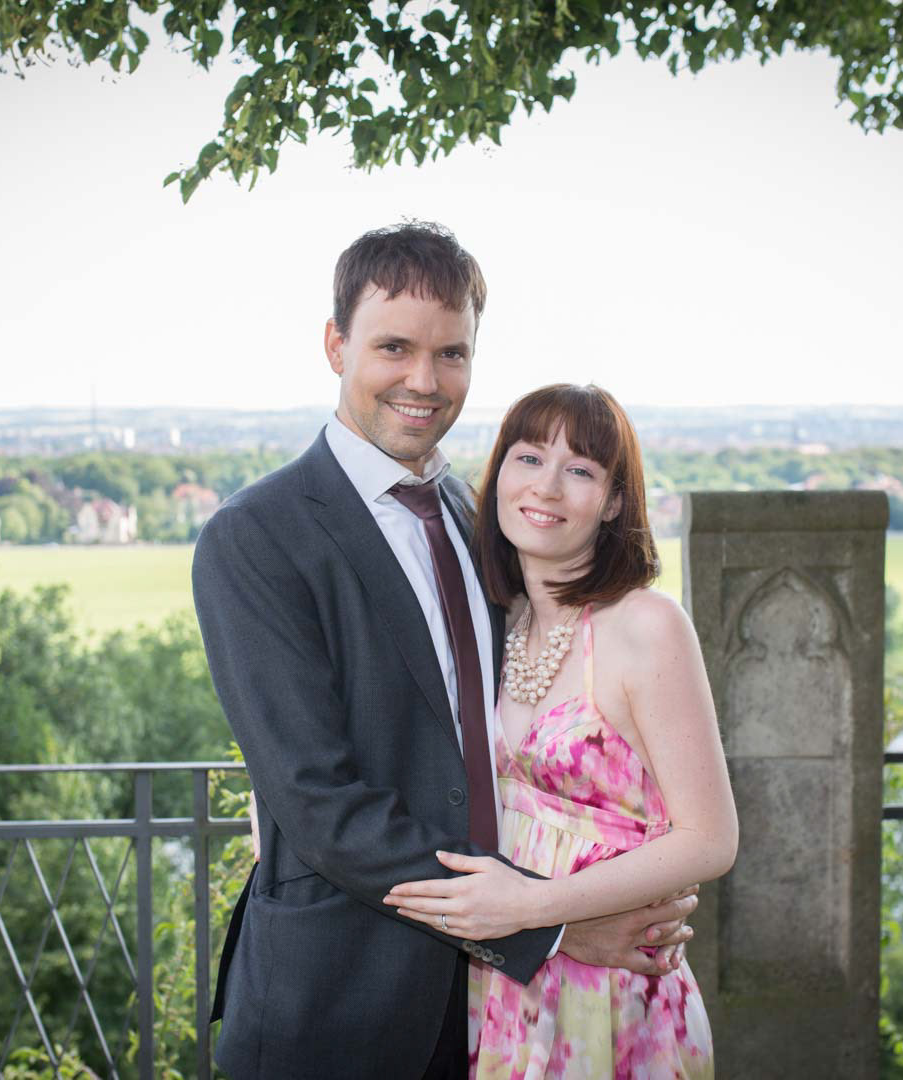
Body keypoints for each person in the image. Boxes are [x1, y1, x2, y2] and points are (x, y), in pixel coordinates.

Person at [190, 223, 700, 1080]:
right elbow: (318, 803)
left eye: (451, 353)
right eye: (394, 347)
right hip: (339, 1004)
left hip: (496, 1020)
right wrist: (550, 925)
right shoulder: (256, 537)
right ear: (336, 345)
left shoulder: (478, 515)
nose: (424, 381)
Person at [384, 383, 738, 1078]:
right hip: (496, 985)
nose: (546, 487)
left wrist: (533, 906)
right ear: (499, 474)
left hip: (607, 995)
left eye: (579, 470)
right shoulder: (495, 621)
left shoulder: (645, 625)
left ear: (613, 501)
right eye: (529, 458)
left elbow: (710, 838)